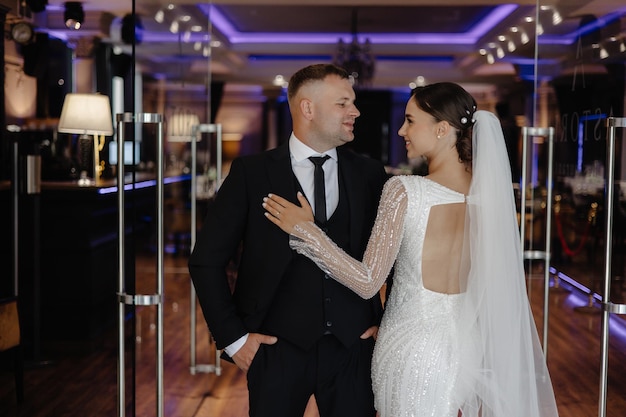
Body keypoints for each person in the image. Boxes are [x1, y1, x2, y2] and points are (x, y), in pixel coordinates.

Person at [262, 82, 560, 417]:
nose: (402, 130)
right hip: (466, 347)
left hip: (412, 346)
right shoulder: (488, 197)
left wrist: (307, 232)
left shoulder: (405, 190)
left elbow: (367, 281)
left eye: (411, 120)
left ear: (442, 129)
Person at [188, 63, 388, 417]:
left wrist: (384, 324)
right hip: (274, 350)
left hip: (354, 349)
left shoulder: (370, 174)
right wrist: (234, 340)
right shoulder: (251, 173)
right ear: (307, 108)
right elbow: (206, 260)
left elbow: (394, 259)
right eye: (343, 103)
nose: (355, 111)